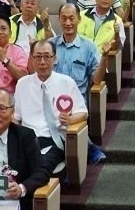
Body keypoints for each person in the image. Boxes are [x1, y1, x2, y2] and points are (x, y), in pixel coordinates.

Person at [14, 40, 88, 177]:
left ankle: (25, 191)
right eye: (38, 57)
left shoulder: (67, 82)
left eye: (47, 57)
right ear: (31, 58)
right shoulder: (22, 84)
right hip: (27, 140)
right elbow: (15, 118)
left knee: (40, 165)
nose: (42, 62)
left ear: (55, 59)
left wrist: (70, 119)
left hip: (54, 140)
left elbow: (83, 113)